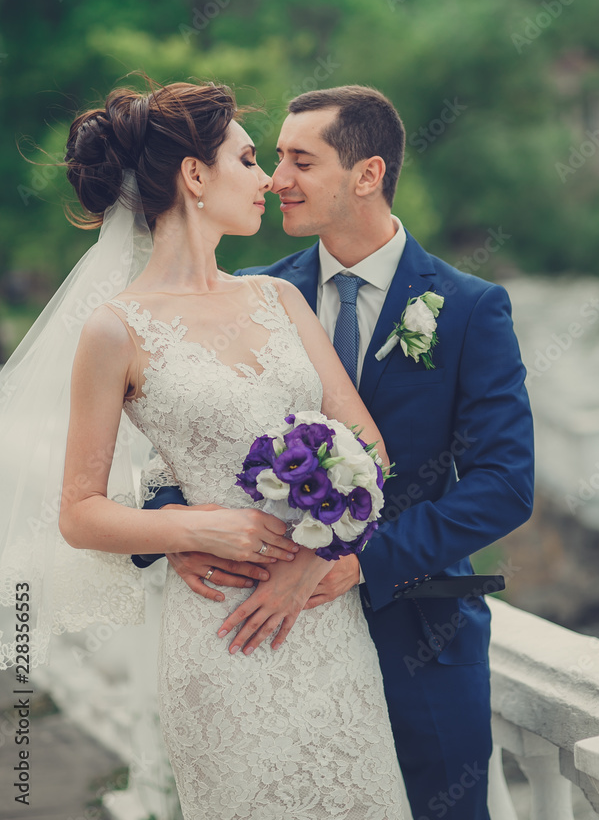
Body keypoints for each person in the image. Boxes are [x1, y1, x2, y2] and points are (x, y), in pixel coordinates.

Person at [3, 81, 411, 820]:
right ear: (194, 176)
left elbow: (367, 449)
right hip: (223, 636)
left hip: (322, 622)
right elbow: (79, 511)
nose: (267, 180)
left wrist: (315, 558)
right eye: (248, 159)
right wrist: (193, 528)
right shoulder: (114, 329)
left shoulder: (278, 301)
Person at [139, 85, 535, 820]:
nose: (276, 178)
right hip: (272, 644)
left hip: (420, 637)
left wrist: (352, 561)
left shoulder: (470, 308)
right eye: (272, 158)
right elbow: (181, 436)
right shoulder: (253, 293)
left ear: (366, 174)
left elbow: (503, 485)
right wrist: (178, 532)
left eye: (300, 160)